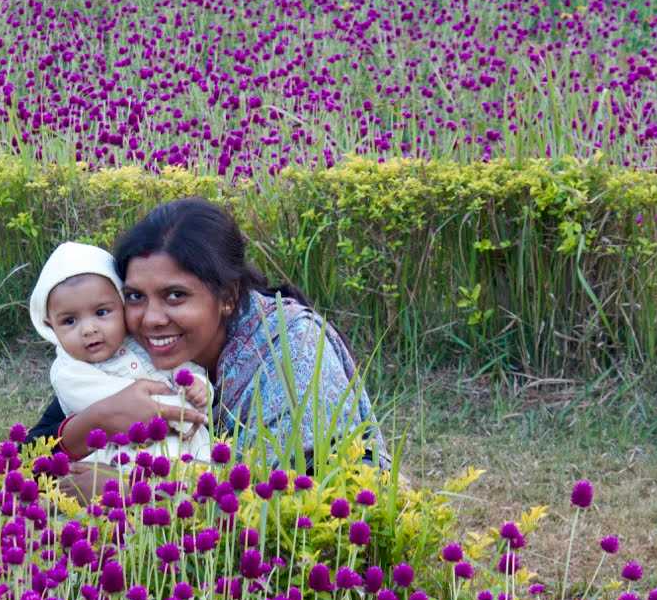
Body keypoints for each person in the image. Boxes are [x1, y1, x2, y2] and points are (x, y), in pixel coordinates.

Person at [28, 197, 388, 474]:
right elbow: (27, 461)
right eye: (135, 296)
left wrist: (133, 490)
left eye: (176, 296)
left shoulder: (291, 351)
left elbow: (300, 501)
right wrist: (97, 420)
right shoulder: (124, 351)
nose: (151, 319)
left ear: (228, 297)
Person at [28, 241, 214, 464]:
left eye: (102, 312)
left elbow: (183, 370)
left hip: (187, 447)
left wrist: (199, 386)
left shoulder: (142, 342)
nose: (89, 329)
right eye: (69, 321)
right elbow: (121, 406)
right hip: (123, 457)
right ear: (50, 326)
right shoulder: (69, 371)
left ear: (122, 304)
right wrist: (180, 411)